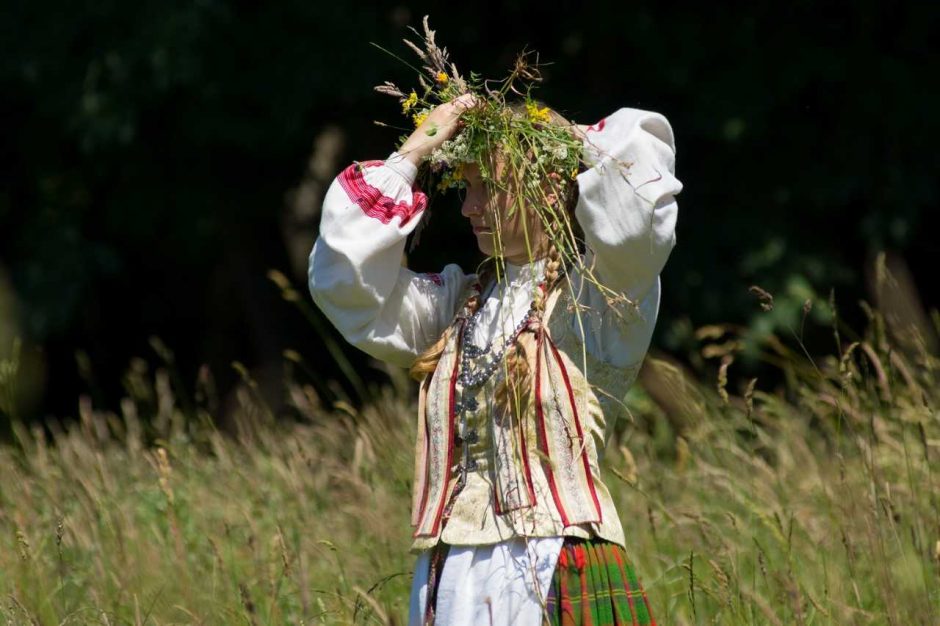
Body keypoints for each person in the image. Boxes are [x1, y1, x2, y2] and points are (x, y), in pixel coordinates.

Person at [308, 92, 681, 625]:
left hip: (555, 563)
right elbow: (342, 282)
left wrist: (551, 134)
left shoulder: (600, 297)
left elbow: (639, 202)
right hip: (450, 576)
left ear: (549, 185)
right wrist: (414, 152)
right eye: (467, 188)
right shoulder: (457, 303)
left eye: (491, 187)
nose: (468, 207)